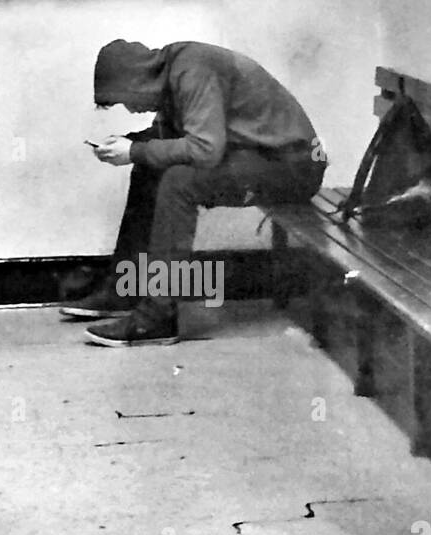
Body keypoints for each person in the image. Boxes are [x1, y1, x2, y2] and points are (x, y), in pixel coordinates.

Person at [64, 39, 326, 345]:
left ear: (138, 80)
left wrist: (135, 150)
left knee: (179, 181)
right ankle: (128, 286)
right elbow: (172, 139)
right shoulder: (174, 71)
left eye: (125, 99)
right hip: (262, 155)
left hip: (293, 167)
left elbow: (204, 149)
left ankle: (157, 317)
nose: (131, 108)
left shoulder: (192, 71)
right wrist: (129, 144)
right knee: (150, 167)